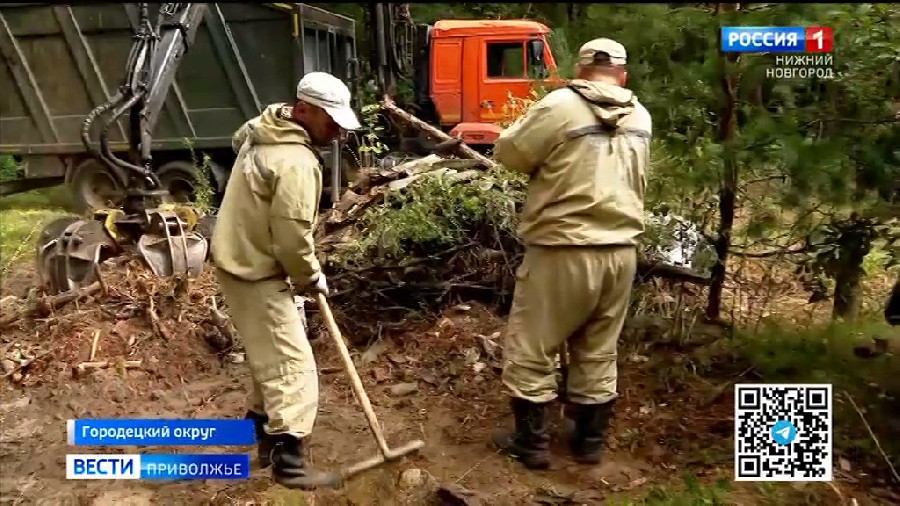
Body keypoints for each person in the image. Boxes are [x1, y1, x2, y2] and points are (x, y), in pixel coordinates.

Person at [490, 38, 652, 469]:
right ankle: (589, 442)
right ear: (623, 75)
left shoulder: (559, 105)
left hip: (563, 250)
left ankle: (532, 444)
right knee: (598, 346)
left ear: (579, 71)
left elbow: (509, 153)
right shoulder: (641, 115)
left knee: (534, 344)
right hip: (621, 252)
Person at [210, 71, 360, 489]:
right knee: (294, 367)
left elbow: (239, 142)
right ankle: (288, 462)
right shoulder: (295, 162)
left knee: (269, 357)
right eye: (331, 121)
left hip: (238, 260)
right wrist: (310, 277)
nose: (337, 132)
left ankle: (261, 438)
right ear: (304, 110)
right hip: (257, 271)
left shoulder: (262, 132)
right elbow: (292, 237)